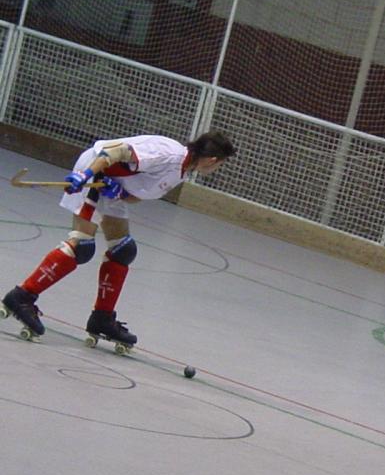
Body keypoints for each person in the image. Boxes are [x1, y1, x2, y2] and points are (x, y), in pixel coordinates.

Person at [1, 130, 236, 347]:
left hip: (110, 183)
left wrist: (119, 192)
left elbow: (135, 195)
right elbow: (115, 152)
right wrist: (85, 174)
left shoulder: (180, 171)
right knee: (82, 246)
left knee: (123, 250)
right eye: (220, 164)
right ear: (213, 160)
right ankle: (21, 297)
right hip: (96, 171)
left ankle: (102, 318)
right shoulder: (168, 154)